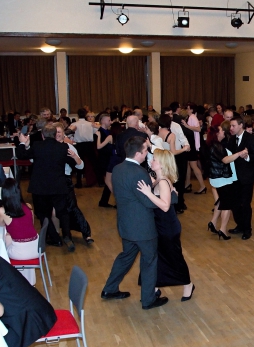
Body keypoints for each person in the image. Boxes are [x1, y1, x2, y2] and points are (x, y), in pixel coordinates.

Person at [101, 136, 167, 309]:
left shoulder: (118, 168)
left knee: (126, 257)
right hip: (142, 227)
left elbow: (130, 192)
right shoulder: (139, 172)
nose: (147, 154)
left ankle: (109, 289)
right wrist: (165, 196)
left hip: (126, 224)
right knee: (149, 260)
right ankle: (148, 299)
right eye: (145, 151)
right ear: (138, 153)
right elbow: (148, 202)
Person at [136, 149, 195, 300]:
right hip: (160, 225)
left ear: (162, 163)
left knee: (173, 257)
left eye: (154, 159)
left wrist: (148, 193)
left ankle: (188, 284)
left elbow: (165, 206)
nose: (151, 161)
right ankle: (155, 286)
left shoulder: (163, 182)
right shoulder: (160, 180)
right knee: (160, 257)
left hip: (168, 227)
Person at [16, 123, 81, 251]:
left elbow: (22, 155)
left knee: (42, 213)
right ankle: (67, 236)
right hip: (59, 185)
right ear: (55, 134)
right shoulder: (63, 147)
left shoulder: (37, 146)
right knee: (63, 213)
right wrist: (75, 158)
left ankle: (54, 238)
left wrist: (23, 143)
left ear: (42, 135)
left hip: (40, 187)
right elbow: (73, 163)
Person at [55, 123, 93, 245]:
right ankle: (59, 235)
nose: (57, 134)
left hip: (65, 180)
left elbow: (80, 166)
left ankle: (86, 232)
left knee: (72, 207)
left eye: (59, 132)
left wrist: (75, 157)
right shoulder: (48, 147)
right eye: (55, 132)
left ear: (64, 134)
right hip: (52, 181)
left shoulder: (69, 147)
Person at [207, 122, 244, 240]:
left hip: (216, 177)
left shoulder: (213, 144)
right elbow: (225, 160)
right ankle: (223, 230)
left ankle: (213, 223)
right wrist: (239, 153)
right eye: (221, 130)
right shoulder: (217, 146)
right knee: (227, 205)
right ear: (217, 134)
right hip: (222, 178)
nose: (223, 131)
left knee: (221, 202)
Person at [227, 116, 254, 240]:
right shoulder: (232, 139)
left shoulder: (251, 139)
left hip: (247, 177)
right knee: (235, 204)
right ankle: (240, 225)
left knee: (245, 204)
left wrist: (247, 157)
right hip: (234, 177)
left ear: (241, 125)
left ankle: (247, 229)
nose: (231, 128)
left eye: (233, 125)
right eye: (230, 126)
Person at [0, 178, 39, 268]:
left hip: (19, 253)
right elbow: (30, 225)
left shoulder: (2, 211)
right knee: (9, 237)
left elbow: (0, 224)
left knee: (4, 241)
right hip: (37, 249)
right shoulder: (28, 206)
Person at [67, 110, 96, 188]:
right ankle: (100, 181)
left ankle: (79, 183)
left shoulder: (74, 124)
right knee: (94, 163)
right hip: (89, 145)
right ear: (86, 115)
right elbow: (95, 132)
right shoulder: (90, 124)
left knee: (78, 163)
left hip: (79, 145)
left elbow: (69, 134)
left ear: (78, 115)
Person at [95, 113, 113, 188]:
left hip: (109, 155)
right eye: (109, 120)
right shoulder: (98, 133)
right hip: (103, 156)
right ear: (102, 121)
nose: (110, 122)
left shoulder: (109, 131)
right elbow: (98, 147)